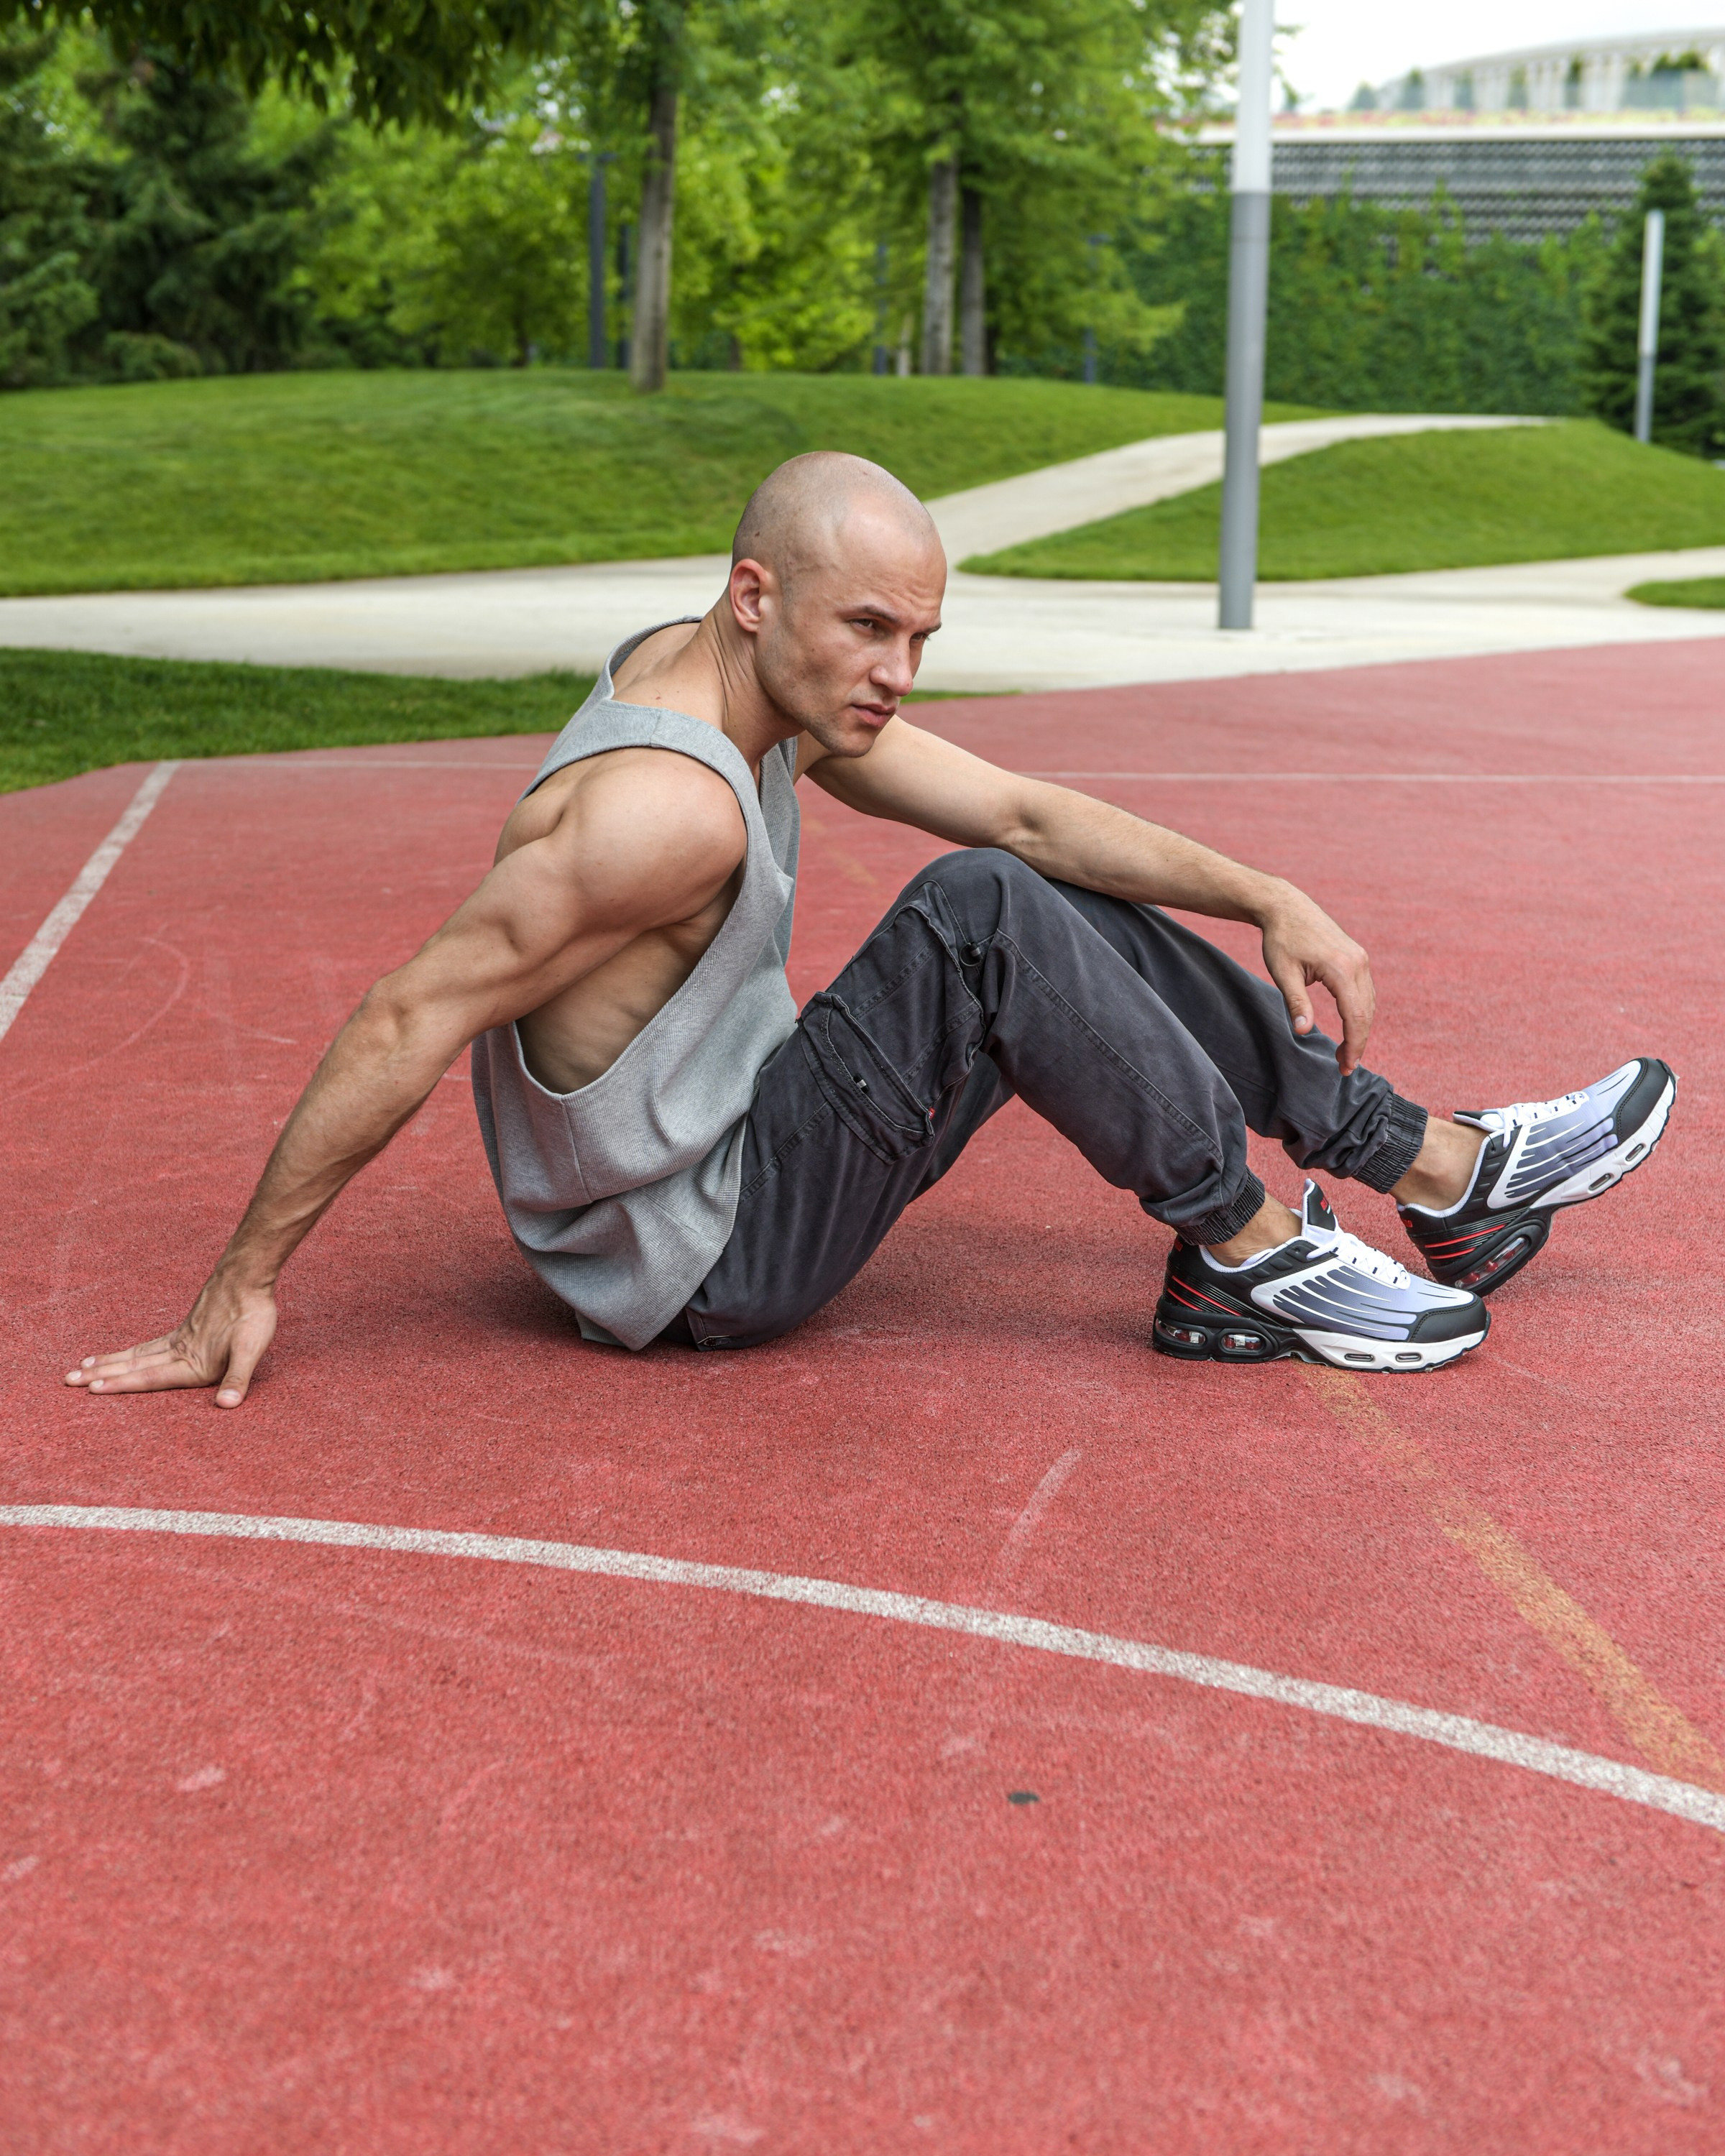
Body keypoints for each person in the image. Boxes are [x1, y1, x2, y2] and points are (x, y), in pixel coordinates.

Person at [68, 453, 1675, 1405]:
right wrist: (239, 1282)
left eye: (921, 633)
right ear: (755, 595)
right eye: (870, 626)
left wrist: (1265, 893)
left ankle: (1435, 1172)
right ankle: (1246, 1247)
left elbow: (1027, 815)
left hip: (737, 1140)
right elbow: (409, 1016)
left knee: (1017, 885)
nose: (898, 668)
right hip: (701, 1258)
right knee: (984, 918)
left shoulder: (723, 667)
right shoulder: (663, 809)